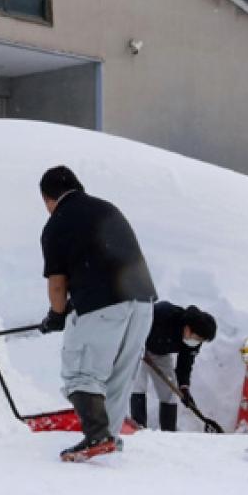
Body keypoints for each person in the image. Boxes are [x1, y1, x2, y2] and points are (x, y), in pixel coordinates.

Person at [37, 165, 159, 462]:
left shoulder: (57, 224)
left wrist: (56, 315)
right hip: (142, 301)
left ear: (47, 197)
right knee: (119, 374)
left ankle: (97, 435)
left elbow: (57, 283)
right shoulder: (107, 208)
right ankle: (108, 439)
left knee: (81, 373)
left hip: (102, 304)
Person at [131, 302, 218, 432]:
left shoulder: (193, 342)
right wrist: (138, 345)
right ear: (188, 328)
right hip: (137, 347)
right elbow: (136, 323)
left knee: (169, 391)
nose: (198, 342)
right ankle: (138, 427)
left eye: (201, 341)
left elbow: (185, 364)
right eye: (198, 338)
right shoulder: (164, 313)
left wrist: (184, 387)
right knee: (138, 384)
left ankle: (169, 432)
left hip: (160, 353)